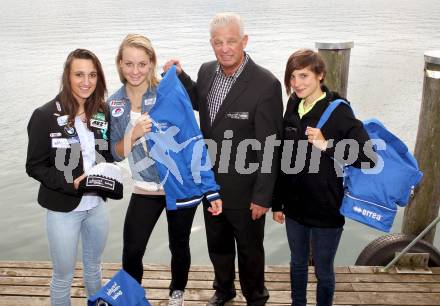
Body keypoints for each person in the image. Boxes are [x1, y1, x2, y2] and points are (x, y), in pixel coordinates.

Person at [164, 13, 283, 306]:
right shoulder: (206, 72)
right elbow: (200, 102)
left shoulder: (265, 84)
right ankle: (224, 289)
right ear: (211, 44)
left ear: (244, 41)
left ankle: (256, 296)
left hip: (246, 189)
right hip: (210, 184)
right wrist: (181, 77)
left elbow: (271, 147)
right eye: (218, 42)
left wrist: (263, 197)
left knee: (250, 250)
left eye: (231, 41)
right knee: (217, 245)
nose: (225, 48)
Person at [107, 34, 222, 306]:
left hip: (180, 186)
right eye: (129, 64)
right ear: (120, 65)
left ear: (151, 64)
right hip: (145, 188)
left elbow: (193, 139)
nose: (135, 71)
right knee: (132, 250)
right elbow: (114, 153)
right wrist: (133, 134)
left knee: (178, 246)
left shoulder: (168, 93)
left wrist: (211, 189)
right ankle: (133, 296)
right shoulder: (115, 104)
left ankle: (176, 293)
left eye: (142, 64)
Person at [272, 49, 376, 306]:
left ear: (320, 75)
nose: (297, 83)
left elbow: (368, 157)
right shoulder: (293, 105)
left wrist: (327, 145)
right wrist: (278, 202)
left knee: (323, 270)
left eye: (304, 75)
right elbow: (284, 156)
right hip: (295, 207)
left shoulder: (338, 111)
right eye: (292, 77)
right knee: (297, 263)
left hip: (326, 209)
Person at [26, 49, 113, 306]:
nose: (86, 81)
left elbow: (104, 154)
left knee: (94, 268)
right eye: (79, 74)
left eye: (92, 75)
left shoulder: (102, 111)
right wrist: (69, 184)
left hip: (97, 207)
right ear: (67, 76)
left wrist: (109, 172)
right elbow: (34, 166)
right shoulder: (44, 116)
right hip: (63, 210)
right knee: (63, 277)